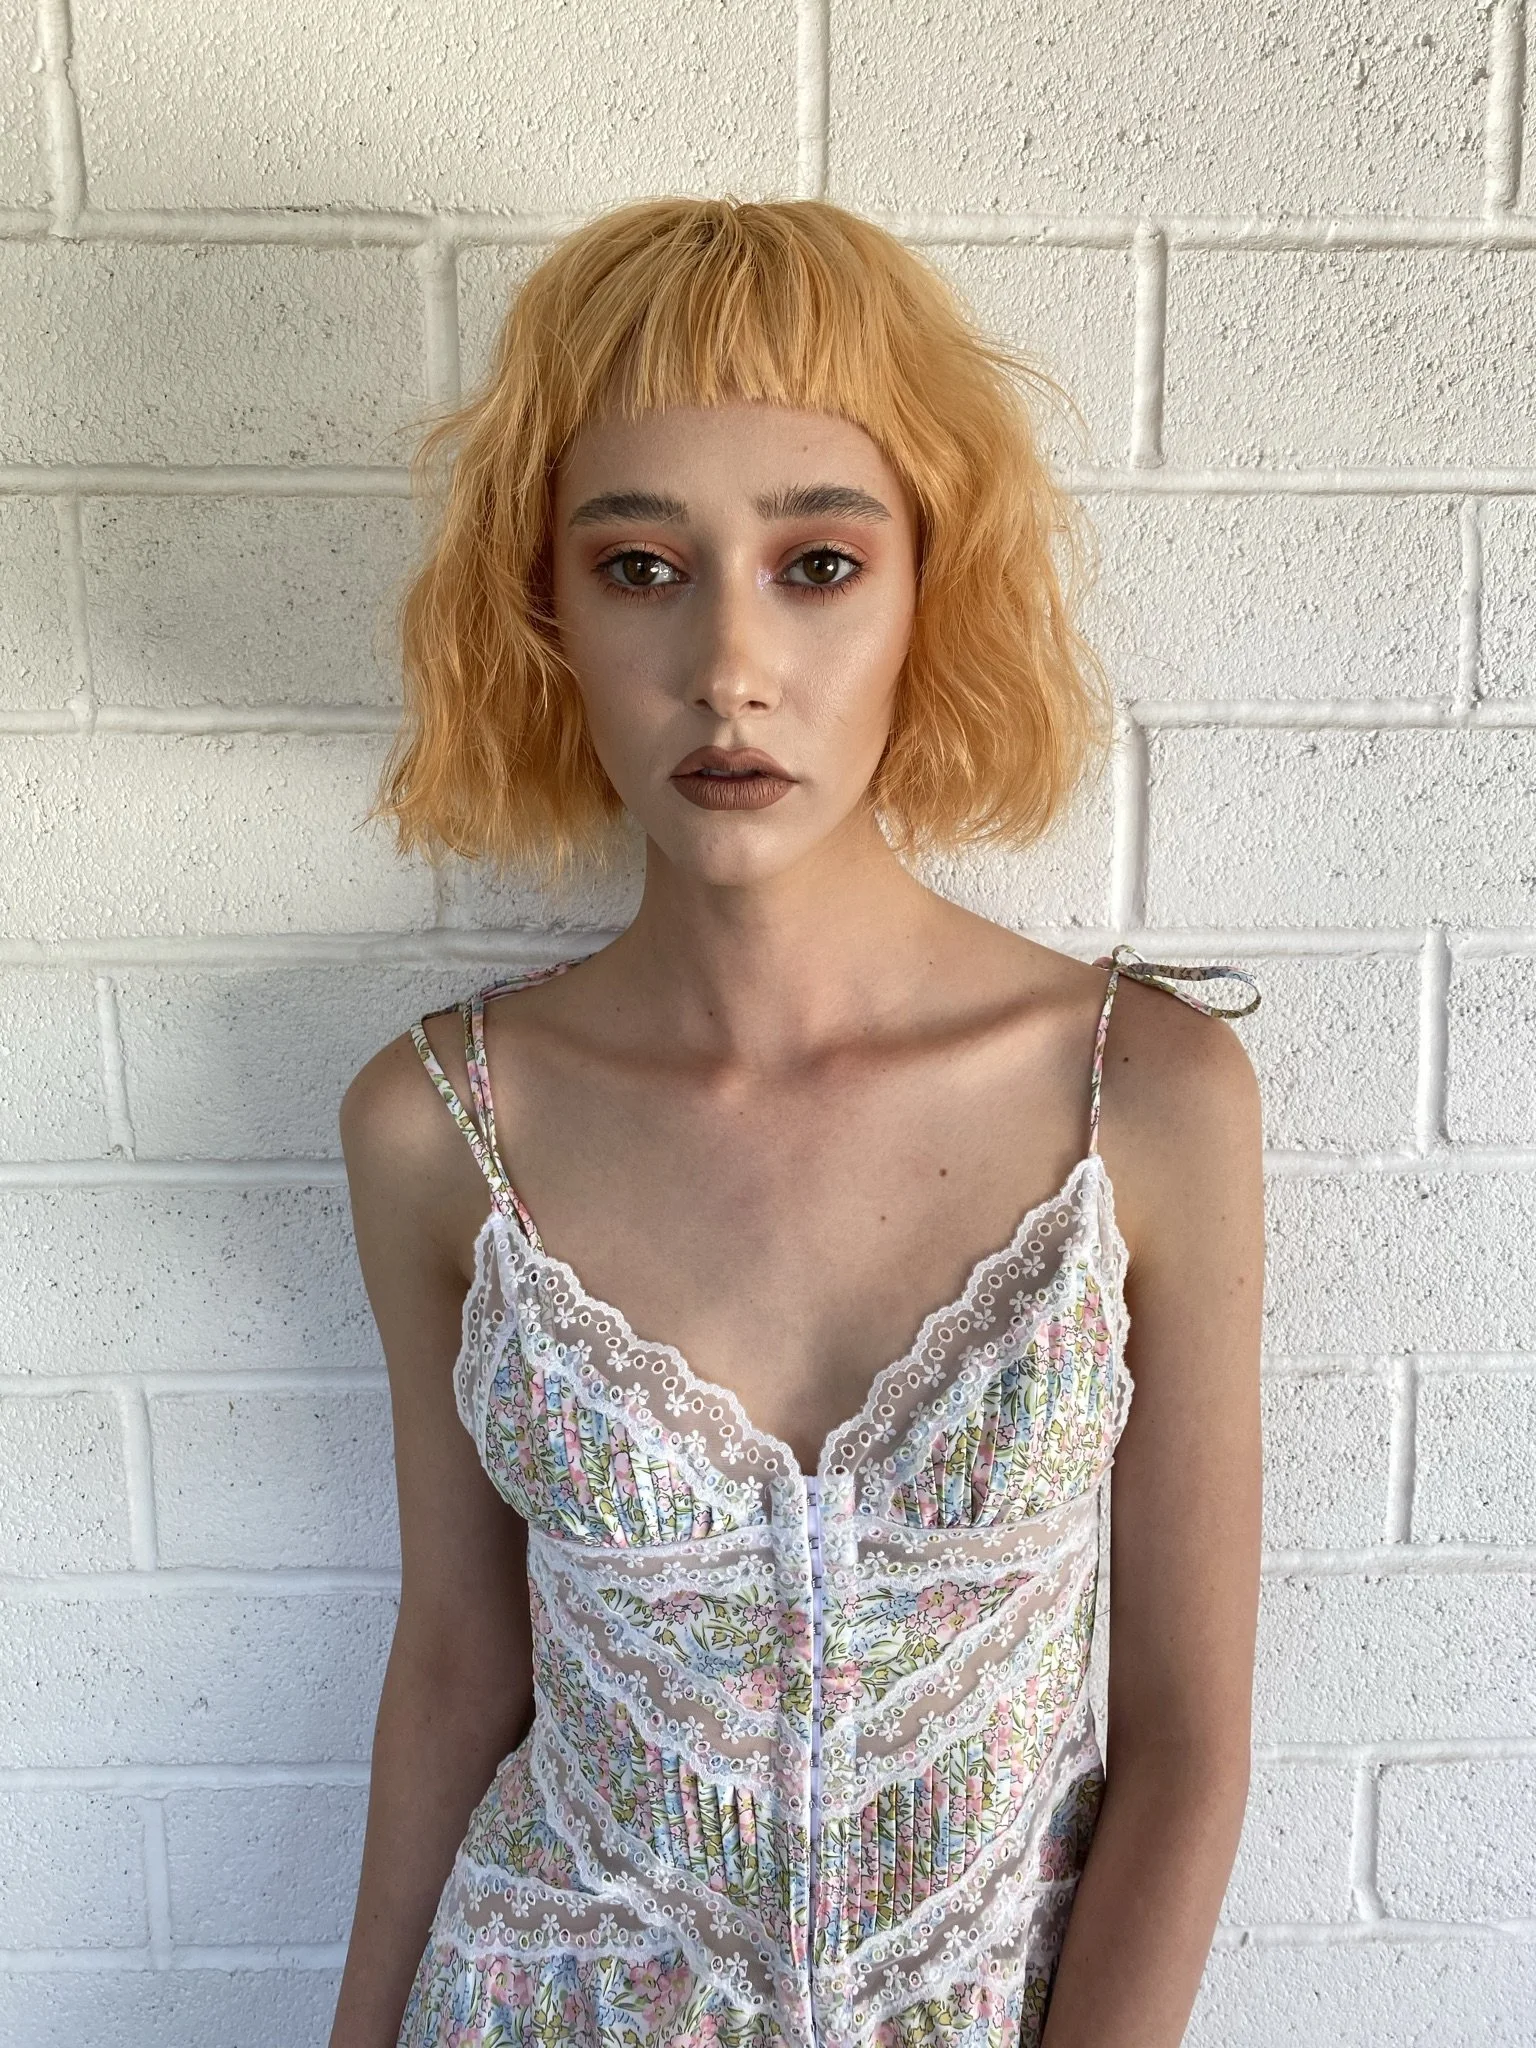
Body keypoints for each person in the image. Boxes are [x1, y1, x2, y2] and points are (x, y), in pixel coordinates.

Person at [329, 196, 1265, 2048]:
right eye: (643, 567)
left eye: (818, 564)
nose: (730, 665)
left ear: (933, 586)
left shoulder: (1141, 1100)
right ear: (549, 616)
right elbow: (456, 1665)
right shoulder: (446, 1128)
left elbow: (1185, 1746)